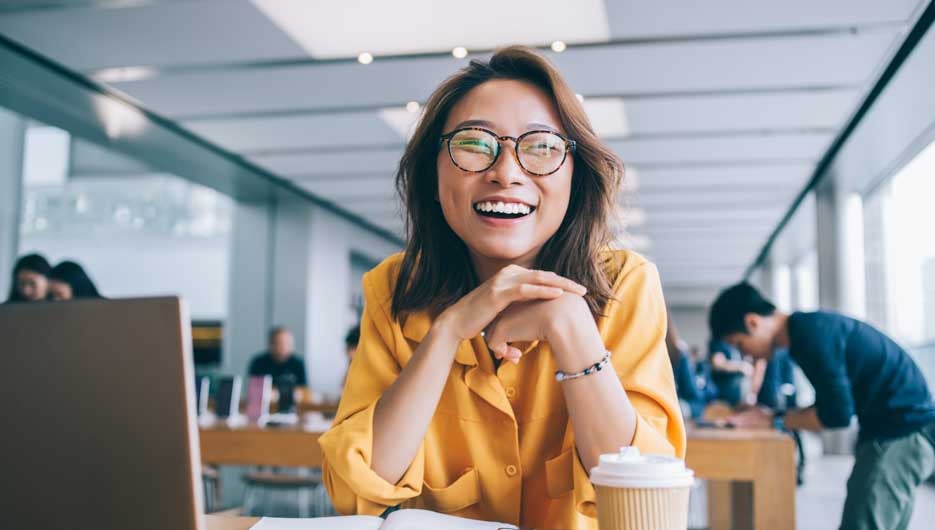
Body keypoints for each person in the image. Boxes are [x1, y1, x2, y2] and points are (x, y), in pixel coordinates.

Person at [319, 47, 684, 529]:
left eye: (542, 147)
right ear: (433, 172)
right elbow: (356, 492)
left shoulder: (625, 284)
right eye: (474, 143)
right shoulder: (394, 288)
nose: (506, 173)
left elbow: (645, 504)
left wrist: (571, 329)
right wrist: (447, 333)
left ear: (575, 177)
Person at [709, 282, 935, 529]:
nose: (747, 355)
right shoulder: (808, 329)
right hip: (905, 432)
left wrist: (772, 419)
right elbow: (831, 405)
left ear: (752, 322)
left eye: (740, 344)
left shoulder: (808, 335)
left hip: (900, 434)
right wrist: (771, 416)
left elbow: (836, 415)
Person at [708, 337, 752, 406]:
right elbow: (717, 363)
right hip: (723, 396)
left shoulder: (736, 345)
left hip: (738, 396)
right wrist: (741, 366)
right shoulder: (718, 343)